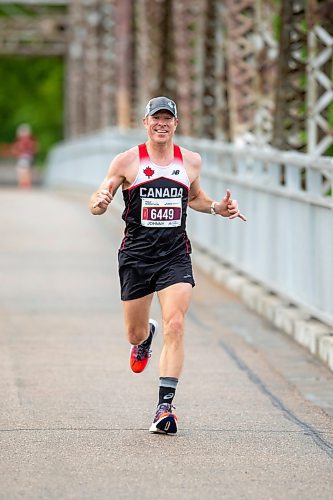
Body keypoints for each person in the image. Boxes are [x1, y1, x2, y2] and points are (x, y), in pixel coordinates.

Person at [89, 96, 246, 435]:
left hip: (175, 256)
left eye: (167, 119)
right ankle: (145, 338)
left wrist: (218, 207)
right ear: (145, 123)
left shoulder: (190, 161)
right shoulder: (127, 161)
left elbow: (194, 198)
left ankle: (164, 408)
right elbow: (101, 196)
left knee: (176, 323)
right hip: (136, 257)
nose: (161, 124)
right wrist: (99, 203)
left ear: (176, 124)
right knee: (133, 332)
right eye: (155, 119)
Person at [12, 124, 38, 189]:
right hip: (28, 157)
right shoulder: (32, 140)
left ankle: (23, 184)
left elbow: (15, 149)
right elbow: (35, 149)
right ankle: (26, 184)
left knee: (22, 170)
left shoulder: (19, 140)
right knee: (26, 170)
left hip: (23, 157)